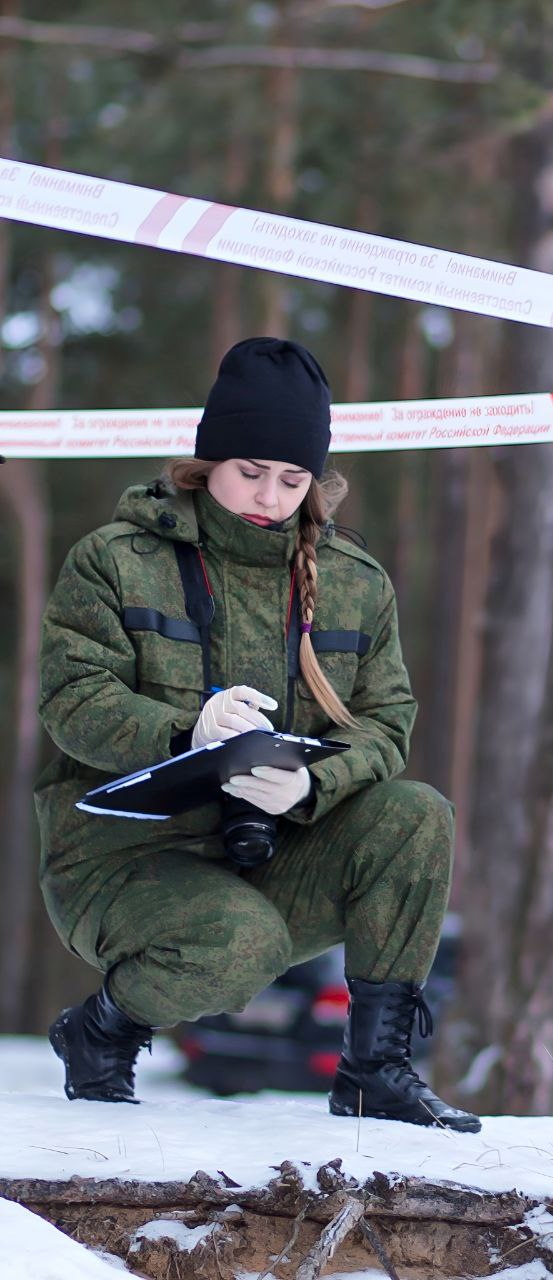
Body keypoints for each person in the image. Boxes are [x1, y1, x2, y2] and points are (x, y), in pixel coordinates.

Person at [35, 336, 480, 1133]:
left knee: (417, 815)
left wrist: (317, 783)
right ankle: (104, 1029)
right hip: (121, 857)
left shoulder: (352, 583)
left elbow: (387, 721)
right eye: (249, 471)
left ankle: (374, 1070)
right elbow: (72, 701)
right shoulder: (115, 562)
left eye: (291, 477)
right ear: (206, 464)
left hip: (275, 848)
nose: (269, 496)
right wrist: (182, 731)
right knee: (238, 944)